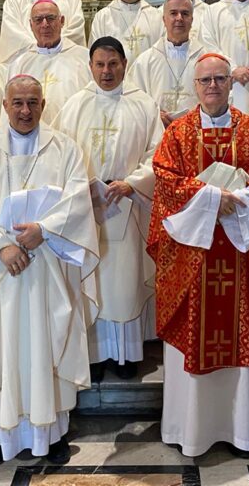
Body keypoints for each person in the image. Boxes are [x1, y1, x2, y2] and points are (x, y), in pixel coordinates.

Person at [0, 75, 98, 468]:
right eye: (18, 103)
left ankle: (53, 432)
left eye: (32, 103)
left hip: (49, 268)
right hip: (0, 273)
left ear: (43, 105)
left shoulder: (66, 150)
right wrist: (3, 246)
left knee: (48, 344)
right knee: (3, 346)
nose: (25, 111)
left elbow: (78, 200)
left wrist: (44, 231)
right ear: (5, 106)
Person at [148, 53, 249, 457]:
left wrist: (236, 200)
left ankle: (241, 431)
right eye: (205, 79)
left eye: (220, 78)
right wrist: (212, 199)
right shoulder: (177, 133)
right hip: (193, 261)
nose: (212, 85)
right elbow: (166, 181)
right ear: (196, 85)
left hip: (240, 258)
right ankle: (189, 431)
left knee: (238, 336)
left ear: (231, 83)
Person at [56, 37, 163, 381]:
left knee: (124, 281)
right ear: (90, 66)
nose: (106, 71)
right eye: (100, 64)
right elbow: (60, 154)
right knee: (94, 278)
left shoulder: (143, 105)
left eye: (113, 64)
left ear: (124, 64)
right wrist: (81, 187)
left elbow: (158, 154)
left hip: (128, 204)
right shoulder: (74, 106)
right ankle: (96, 354)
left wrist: (132, 183)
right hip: (86, 206)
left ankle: (127, 354)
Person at [128, 0, 212, 127]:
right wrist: (154, 114)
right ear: (164, 19)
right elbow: (133, 100)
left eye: (185, 14)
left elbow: (216, 98)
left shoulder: (206, 59)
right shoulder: (145, 61)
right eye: (173, 13)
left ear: (192, 19)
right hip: (158, 131)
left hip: (195, 132)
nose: (179, 18)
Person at [7, 0, 91, 126]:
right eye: (38, 20)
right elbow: (9, 110)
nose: (45, 24)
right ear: (31, 25)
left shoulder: (84, 58)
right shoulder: (20, 63)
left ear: (61, 21)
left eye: (50, 18)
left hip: (72, 134)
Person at [89, 0, 162, 65]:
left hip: (147, 77)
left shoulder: (156, 16)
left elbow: (162, 52)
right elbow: (95, 54)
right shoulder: (103, 17)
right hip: (114, 79)